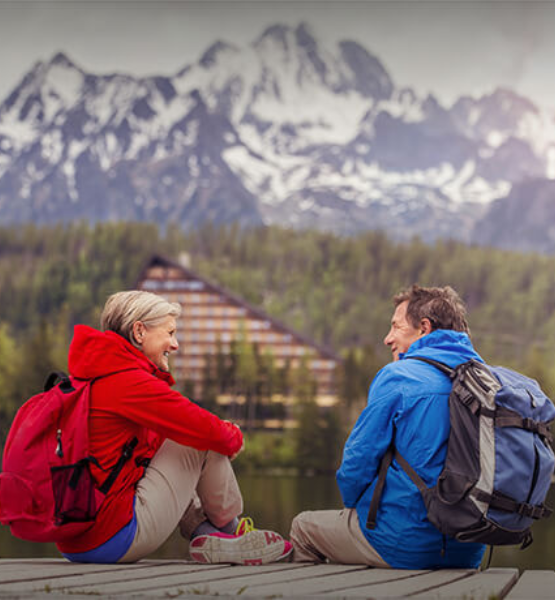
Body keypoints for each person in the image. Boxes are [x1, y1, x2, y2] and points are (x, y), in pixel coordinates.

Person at [57, 290, 292, 564]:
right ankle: (233, 531)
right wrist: (233, 435)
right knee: (202, 438)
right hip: (113, 538)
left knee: (179, 439)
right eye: (169, 332)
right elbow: (207, 431)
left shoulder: (92, 377)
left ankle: (209, 536)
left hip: (75, 540)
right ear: (139, 331)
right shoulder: (130, 383)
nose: (175, 344)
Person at [290, 285, 486, 569]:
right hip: (470, 549)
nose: (387, 338)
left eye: (395, 326)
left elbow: (356, 464)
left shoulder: (399, 376)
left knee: (303, 527)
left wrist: (353, 505)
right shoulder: (483, 381)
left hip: (403, 545)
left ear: (424, 328)